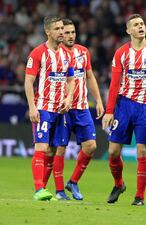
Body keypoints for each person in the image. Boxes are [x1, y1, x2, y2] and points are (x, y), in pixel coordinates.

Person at [102, 14, 146, 206]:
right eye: (136, 25)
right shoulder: (121, 53)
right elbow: (114, 85)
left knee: (142, 152)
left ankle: (139, 196)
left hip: (145, 107)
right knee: (113, 152)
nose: (140, 27)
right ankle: (119, 183)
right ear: (128, 30)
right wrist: (109, 110)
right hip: (124, 106)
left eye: (142, 24)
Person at [42, 19, 105, 200]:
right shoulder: (56, 53)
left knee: (91, 146)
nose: (70, 35)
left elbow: (90, 76)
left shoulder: (83, 52)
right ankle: (59, 191)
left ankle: (73, 181)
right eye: (66, 32)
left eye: (72, 32)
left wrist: (99, 100)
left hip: (82, 107)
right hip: (62, 108)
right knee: (59, 149)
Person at [24, 15, 75, 201]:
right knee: (42, 146)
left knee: (53, 150)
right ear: (48, 31)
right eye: (57, 29)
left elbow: (71, 79)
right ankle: (39, 190)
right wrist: (32, 107)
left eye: (62, 28)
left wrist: (69, 98)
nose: (61, 32)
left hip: (60, 110)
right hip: (43, 107)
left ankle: (43, 189)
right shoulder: (37, 53)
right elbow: (29, 82)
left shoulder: (67, 55)